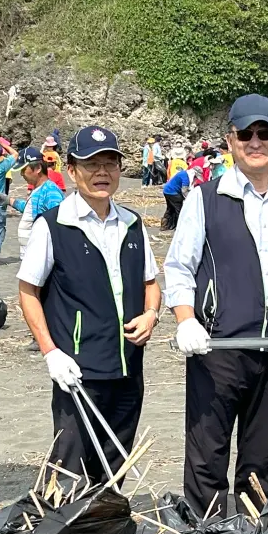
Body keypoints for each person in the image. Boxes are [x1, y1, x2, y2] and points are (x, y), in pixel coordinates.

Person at [165, 94, 268, 517]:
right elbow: (179, 266)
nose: (256, 141)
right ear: (230, 140)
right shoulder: (206, 198)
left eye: (264, 132)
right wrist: (185, 320)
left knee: (260, 457)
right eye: (245, 133)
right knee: (206, 456)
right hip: (217, 349)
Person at [18, 126, 162, 482]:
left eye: (110, 164)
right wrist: (51, 352)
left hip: (128, 368)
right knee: (69, 470)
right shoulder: (53, 226)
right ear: (71, 170)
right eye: (92, 164)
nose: (102, 173)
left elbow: (151, 283)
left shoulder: (132, 223)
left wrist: (151, 314)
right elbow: (27, 291)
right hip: (78, 372)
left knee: (115, 470)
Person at [12, 147, 65, 255]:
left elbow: (59, 222)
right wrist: (10, 201)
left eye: (23, 170)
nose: (22, 174)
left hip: (41, 253)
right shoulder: (38, 189)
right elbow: (30, 208)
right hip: (31, 252)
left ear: (37, 168)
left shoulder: (50, 191)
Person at [161, 165, 192, 230]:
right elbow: (184, 191)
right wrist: (189, 199)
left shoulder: (183, 173)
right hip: (173, 193)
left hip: (167, 190)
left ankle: (165, 225)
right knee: (179, 210)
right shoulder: (186, 178)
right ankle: (179, 227)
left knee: (170, 209)